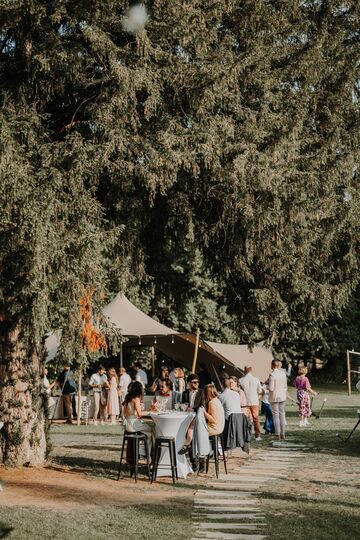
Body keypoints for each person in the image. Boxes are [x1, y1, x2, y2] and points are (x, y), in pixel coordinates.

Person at [239, 366, 263, 441]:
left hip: (245, 402)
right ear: (251, 370)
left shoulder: (241, 380)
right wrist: (257, 398)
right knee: (255, 418)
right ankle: (257, 435)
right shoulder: (256, 379)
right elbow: (260, 391)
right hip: (254, 401)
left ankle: (247, 434)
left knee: (246, 419)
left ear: (244, 370)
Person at [268, 360, 288, 439]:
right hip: (282, 396)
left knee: (275, 415)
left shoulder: (272, 375)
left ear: (272, 365)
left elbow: (271, 388)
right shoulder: (283, 374)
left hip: (274, 396)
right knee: (282, 415)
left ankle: (277, 434)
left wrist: (266, 387)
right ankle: (283, 433)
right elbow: (285, 386)